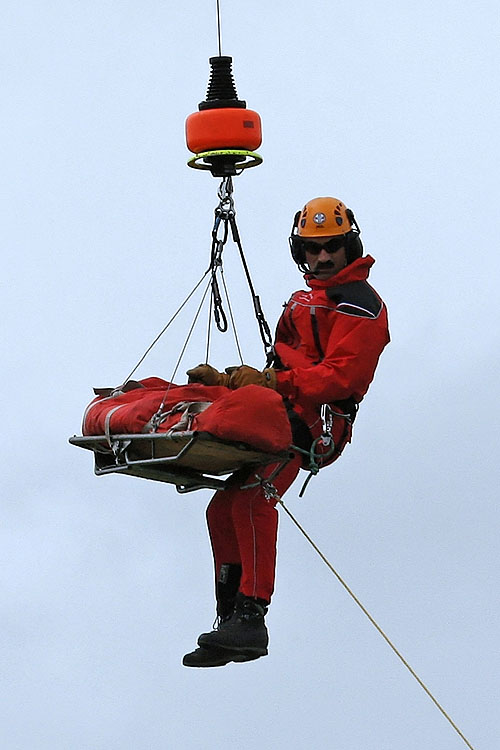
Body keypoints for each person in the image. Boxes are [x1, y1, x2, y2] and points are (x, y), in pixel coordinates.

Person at [182, 197, 390, 667]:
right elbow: (282, 367)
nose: (322, 258)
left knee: (254, 499)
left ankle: (252, 618)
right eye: (312, 249)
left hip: (313, 423)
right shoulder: (306, 299)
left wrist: (271, 382)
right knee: (223, 508)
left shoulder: (360, 305)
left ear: (349, 245)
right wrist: (231, 381)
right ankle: (230, 617)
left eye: (332, 247)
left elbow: (342, 378)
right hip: (279, 406)